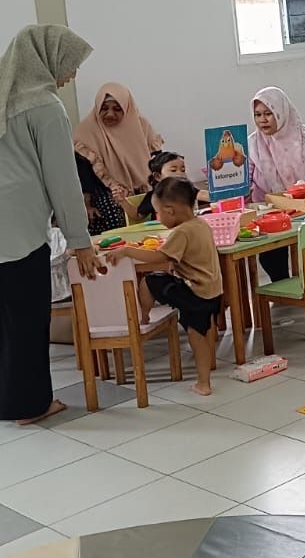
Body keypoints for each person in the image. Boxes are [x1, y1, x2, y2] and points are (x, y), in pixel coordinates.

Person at [0, 25, 99, 424]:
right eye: (70, 64)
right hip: (20, 227)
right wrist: (81, 241)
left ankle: (8, 400)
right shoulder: (45, 106)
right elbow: (62, 179)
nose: (72, 74)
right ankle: (31, 404)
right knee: (27, 317)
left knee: (4, 319)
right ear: (45, 59)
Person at [107, 177, 222, 396]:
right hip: (212, 291)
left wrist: (128, 250)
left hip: (195, 292)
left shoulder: (182, 232)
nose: (158, 218)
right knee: (201, 333)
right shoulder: (200, 224)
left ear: (170, 211)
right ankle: (204, 381)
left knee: (151, 281)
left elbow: (158, 256)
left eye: (159, 213)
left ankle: (144, 316)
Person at [249, 87, 305, 284]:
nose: (262, 120)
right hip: (270, 208)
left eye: (268, 114)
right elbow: (245, 179)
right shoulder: (252, 145)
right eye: (257, 115)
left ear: (282, 112)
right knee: (270, 244)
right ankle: (282, 283)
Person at [73, 82, 164, 233]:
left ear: (126, 108)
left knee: (158, 204)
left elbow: (158, 160)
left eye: (117, 109)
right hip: (104, 190)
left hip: (144, 185)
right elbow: (83, 174)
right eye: (104, 108)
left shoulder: (141, 125)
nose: (110, 114)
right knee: (112, 213)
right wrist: (86, 204)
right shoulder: (85, 132)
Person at [136, 150, 206, 220]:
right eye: (173, 170)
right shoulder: (154, 195)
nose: (180, 174)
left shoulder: (187, 190)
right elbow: (138, 216)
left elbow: (204, 195)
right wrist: (124, 201)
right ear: (158, 176)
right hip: (163, 229)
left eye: (183, 170)